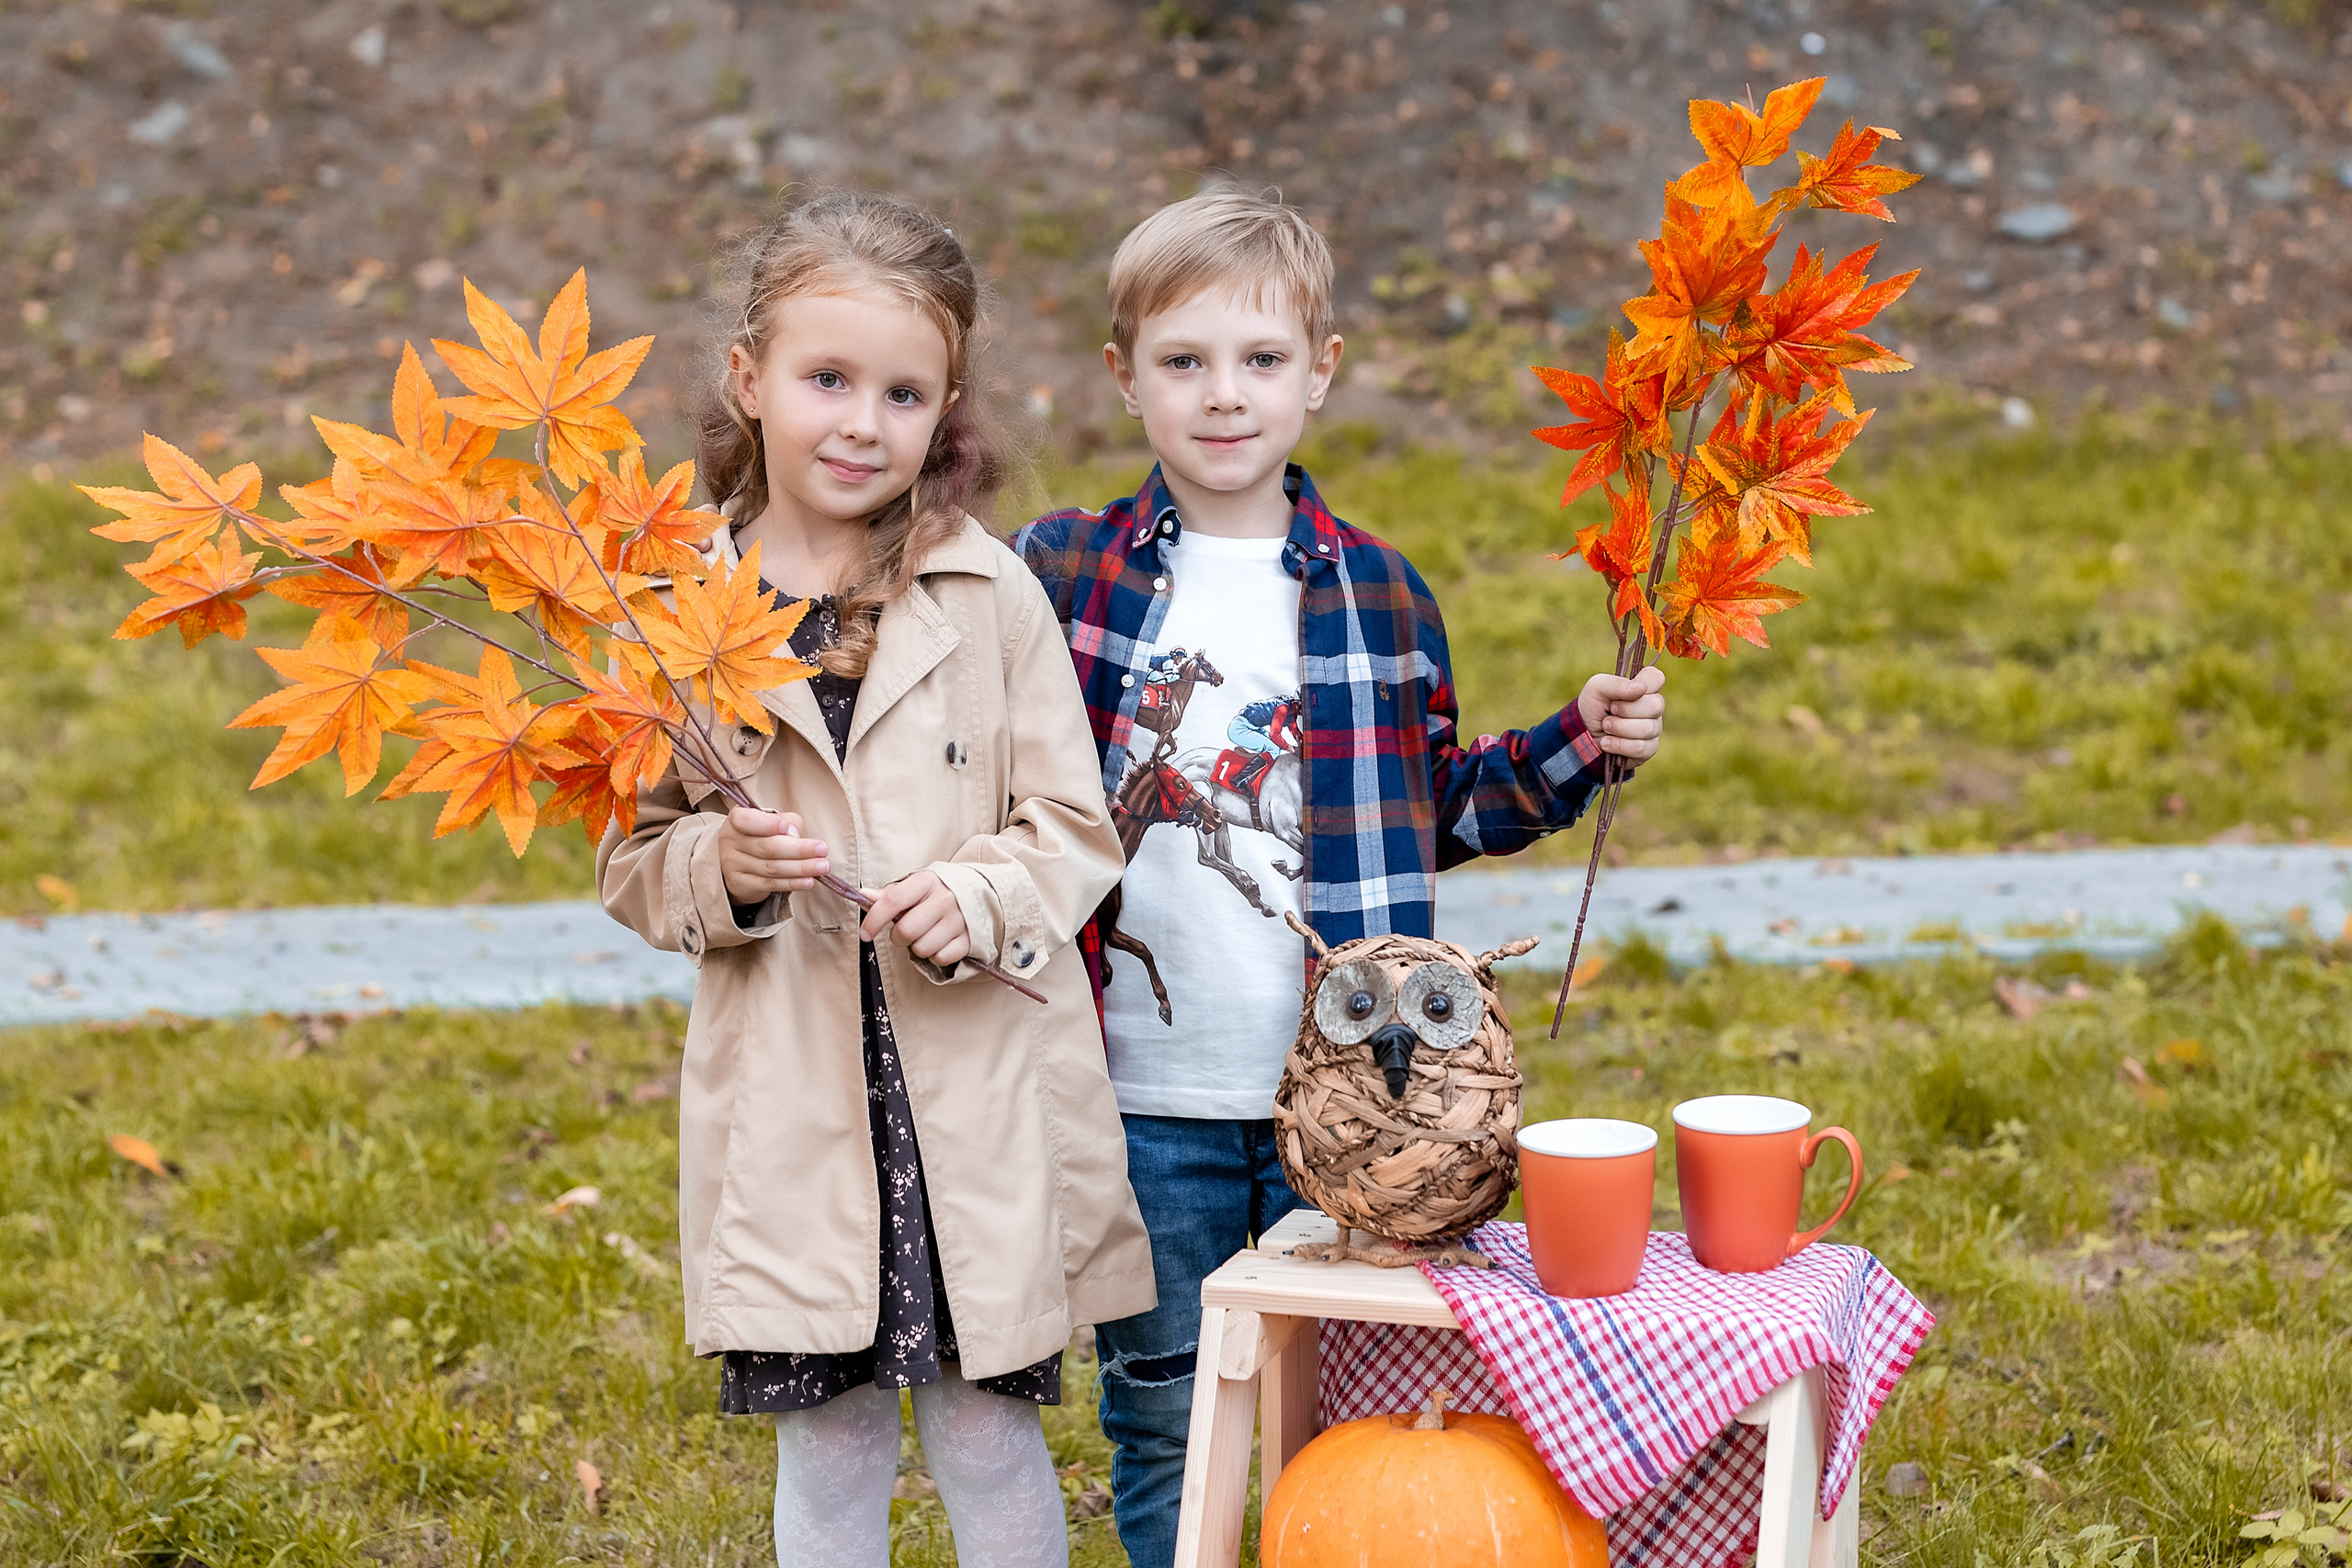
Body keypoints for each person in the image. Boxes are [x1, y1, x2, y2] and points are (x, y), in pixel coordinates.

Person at [1012, 186, 1668, 1568]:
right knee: (1164, 1406)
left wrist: (1576, 746)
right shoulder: (1064, 573)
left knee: (1346, 1412)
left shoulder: (1381, 594)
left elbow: (1442, 808)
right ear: (1124, 376)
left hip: (1356, 1105)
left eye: (1259, 360)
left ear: (1322, 371)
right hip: (1143, 1096)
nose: (1224, 397)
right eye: (1184, 362)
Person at [597, 189, 1154, 1568]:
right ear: (749, 379)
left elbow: (1072, 828)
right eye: (826, 379)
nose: (860, 422)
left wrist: (978, 895)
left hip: (965, 1097)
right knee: (832, 1437)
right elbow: (632, 858)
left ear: (946, 408)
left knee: (983, 1427)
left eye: (902, 393)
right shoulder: (676, 612)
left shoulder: (986, 594)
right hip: (798, 1097)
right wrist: (720, 864)